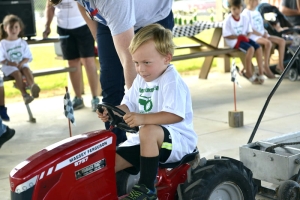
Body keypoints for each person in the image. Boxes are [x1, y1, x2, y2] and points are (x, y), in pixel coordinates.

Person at [49, 0, 173, 146]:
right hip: (109, 19)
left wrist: (137, 111)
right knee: (110, 83)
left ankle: (159, 144)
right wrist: (99, 37)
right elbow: (81, 4)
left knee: (152, 84)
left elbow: (129, 59)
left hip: (152, 17)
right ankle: (117, 147)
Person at [97, 24, 198, 199]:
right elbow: (128, 105)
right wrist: (111, 111)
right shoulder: (141, 80)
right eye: (136, 63)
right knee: (108, 164)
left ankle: (146, 189)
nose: (140, 69)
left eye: (146, 63)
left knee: (148, 130)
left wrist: (142, 118)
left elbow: (174, 115)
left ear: (167, 58)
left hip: (176, 141)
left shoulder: (171, 81)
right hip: (145, 139)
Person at [43, 0, 100, 111]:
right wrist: (47, 25)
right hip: (63, 27)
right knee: (72, 63)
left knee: (88, 61)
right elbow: (50, 6)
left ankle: (95, 98)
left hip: (83, 24)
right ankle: (78, 98)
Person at [0, 15, 40, 104]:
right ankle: (25, 95)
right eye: (11, 27)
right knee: (17, 73)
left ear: (20, 28)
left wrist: (21, 63)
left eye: (16, 27)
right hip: (8, 66)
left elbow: (28, 57)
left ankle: (33, 87)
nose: (14, 30)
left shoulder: (22, 42)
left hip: (22, 64)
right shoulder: (3, 43)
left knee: (26, 69)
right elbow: (1, 59)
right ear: (5, 28)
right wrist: (10, 63)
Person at [222, 0, 265, 84]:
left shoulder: (244, 18)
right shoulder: (228, 20)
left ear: (241, 8)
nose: (237, 11)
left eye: (238, 8)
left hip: (244, 39)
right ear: (230, 9)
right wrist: (238, 37)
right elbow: (226, 35)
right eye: (234, 9)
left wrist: (246, 37)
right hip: (234, 41)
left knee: (258, 47)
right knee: (250, 49)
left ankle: (261, 72)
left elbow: (249, 31)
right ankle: (248, 72)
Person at [243, 0, 286, 78]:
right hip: (253, 36)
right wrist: (260, 34)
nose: (257, 2)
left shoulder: (257, 12)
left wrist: (265, 32)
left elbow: (261, 26)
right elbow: (248, 28)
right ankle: (265, 66)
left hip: (262, 35)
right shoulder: (245, 13)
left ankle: (280, 65)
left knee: (282, 41)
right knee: (268, 43)